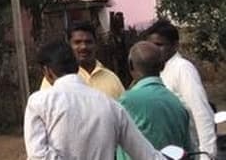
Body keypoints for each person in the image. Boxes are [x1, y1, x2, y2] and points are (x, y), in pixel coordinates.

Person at [24, 40, 164, 159]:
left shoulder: (39, 102)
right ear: (76, 66)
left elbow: (37, 156)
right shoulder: (111, 105)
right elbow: (147, 155)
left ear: (47, 71)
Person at [143, 19, 217, 158]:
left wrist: (207, 154)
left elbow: (201, 112)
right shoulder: (156, 71)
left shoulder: (182, 68)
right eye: (150, 45)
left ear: (175, 46)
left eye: (159, 45)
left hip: (189, 150)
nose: (154, 50)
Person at [116, 41, 190, 160]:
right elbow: (188, 150)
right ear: (162, 66)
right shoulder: (177, 102)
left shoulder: (126, 101)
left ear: (130, 65)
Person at [40, 21, 125, 99]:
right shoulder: (55, 77)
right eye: (77, 42)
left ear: (96, 44)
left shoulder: (112, 79)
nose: (83, 47)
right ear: (68, 45)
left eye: (88, 42)